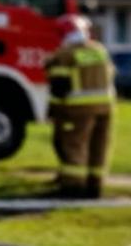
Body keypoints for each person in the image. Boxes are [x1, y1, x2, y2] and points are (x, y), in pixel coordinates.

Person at [47, 13, 114, 198]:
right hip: (106, 107)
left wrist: (53, 112)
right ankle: (95, 187)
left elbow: (59, 88)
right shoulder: (99, 50)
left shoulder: (65, 55)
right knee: (98, 147)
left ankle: (73, 188)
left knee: (74, 146)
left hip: (78, 109)